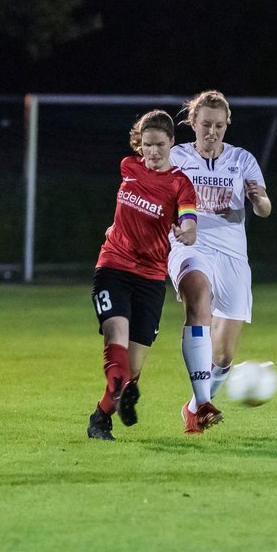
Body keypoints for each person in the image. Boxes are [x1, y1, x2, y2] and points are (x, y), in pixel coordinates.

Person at [86, 110, 198, 441]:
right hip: (113, 267)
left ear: (171, 143)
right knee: (115, 336)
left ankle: (105, 410)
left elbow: (189, 222)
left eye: (159, 145)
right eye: (147, 145)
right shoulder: (128, 167)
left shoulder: (180, 184)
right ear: (141, 145)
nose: (152, 152)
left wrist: (186, 233)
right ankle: (106, 417)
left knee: (132, 369)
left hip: (150, 278)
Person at [167, 90, 272, 434]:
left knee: (224, 355)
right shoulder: (176, 157)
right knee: (199, 296)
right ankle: (202, 403)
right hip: (190, 246)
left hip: (232, 256)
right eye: (206, 125)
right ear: (193, 123)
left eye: (219, 126)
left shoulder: (242, 160)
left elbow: (265, 207)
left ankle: (195, 407)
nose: (212, 132)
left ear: (227, 126)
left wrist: (258, 201)